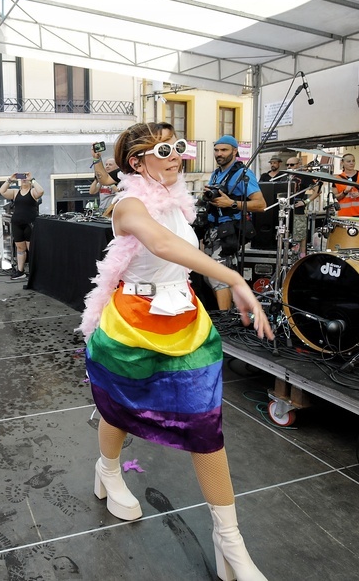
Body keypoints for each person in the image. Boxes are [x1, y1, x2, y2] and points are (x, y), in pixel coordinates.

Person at [80, 122, 272, 581]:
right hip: (132, 322)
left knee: (205, 425)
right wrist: (236, 279)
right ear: (135, 162)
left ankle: (229, 542)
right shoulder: (127, 204)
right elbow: (160, 244)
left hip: (185, 320)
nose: (175, 156)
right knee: (117, 409)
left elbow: (179, 254)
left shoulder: (181, 205)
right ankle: (107, 471)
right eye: (163, 149)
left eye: (178, 147)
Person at [203, 135, 266, 310]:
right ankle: (229, 310)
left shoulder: (243, 174)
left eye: (224, 150)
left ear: (235, 151)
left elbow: (261, 204)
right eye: (216, 150)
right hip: (213, 230)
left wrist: (231, 203)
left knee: (219, 277)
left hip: (228, 231)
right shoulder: (216, 174)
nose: (219, 154)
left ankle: (225, 322)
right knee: (208, 275)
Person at [0, 172, 43, 280]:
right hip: (17, 223)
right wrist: (10, 179)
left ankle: (35, 272)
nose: (24, 179)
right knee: (20, 247)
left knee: (31, 248)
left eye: (25, 178)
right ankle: (20, 270)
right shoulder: (15, 192)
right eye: (22, 178)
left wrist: (32, 179)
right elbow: (2, 191)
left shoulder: (33, 192)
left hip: (30, 223)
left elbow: (41, 191)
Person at [333, 153, 359, 218]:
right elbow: (335, 197)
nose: (351, 163)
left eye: (353, 161)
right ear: (342, 163)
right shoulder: (337, 179)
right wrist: (345, 192)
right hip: (345, 214)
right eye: (348, 161)